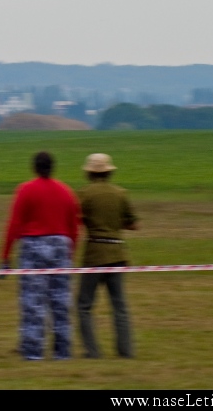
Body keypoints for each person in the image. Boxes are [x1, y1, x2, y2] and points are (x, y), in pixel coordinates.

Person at [1, 151, 80, 361]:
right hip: (61, 247)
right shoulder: (66, 192)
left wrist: (5, 255)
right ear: (52, 168)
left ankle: (33, 352)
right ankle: (63, 352)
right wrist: (71, 253)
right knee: (61, 303)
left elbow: (15, 224)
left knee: (33, 303)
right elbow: (74, 227)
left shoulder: (26, 190)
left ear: (34, 168)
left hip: (33, 247)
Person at [77, 153, 138, 358]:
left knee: (84, 305)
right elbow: (134, 224)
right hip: (117, 253)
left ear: (89, 173)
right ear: (109, 172)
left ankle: (92, 351)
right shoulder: (121, 193)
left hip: (94, 254)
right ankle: (126, 351)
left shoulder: (84, 194)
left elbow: (78, 220)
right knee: (119, 305)